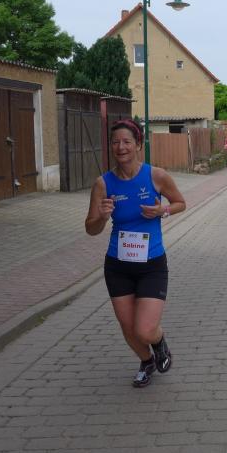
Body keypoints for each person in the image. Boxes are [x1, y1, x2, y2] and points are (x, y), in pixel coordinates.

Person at [85, 118, 187, 388]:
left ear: (138, 145)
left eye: (127, 142)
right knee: (129, 328)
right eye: (115, 142)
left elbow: (180, 203)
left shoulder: (156, 176)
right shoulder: (103, 184)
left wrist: (163, 210)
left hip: (152, 264)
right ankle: (146, 361)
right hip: (117, 266)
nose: (121, 147)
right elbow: (91, 229)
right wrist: (102, 217)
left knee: (145, 329)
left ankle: (159, 342)